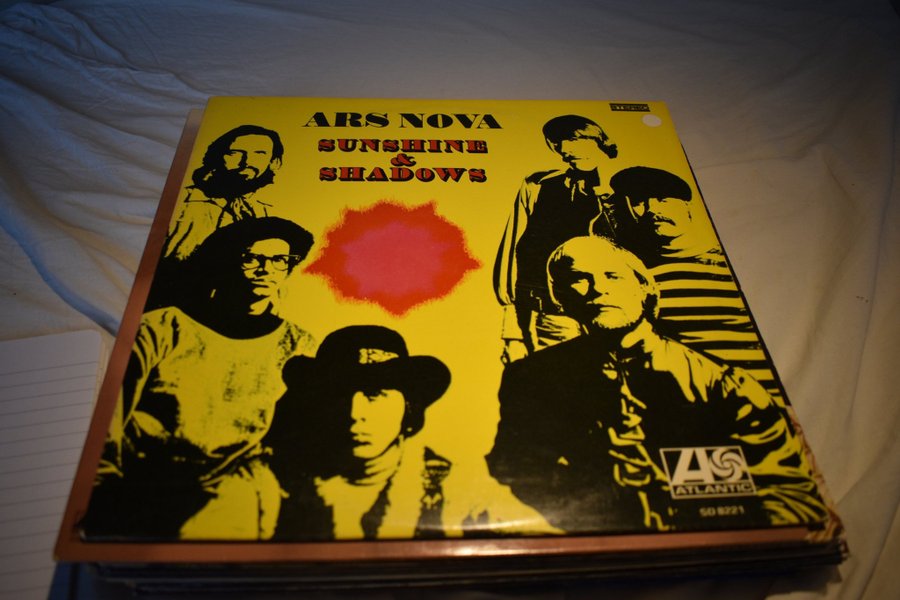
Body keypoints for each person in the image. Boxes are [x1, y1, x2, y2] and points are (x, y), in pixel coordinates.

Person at [486, 236, 828, 534]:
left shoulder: (723, 383)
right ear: (560, 297)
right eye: (579, 279)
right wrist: (594, 506)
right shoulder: (530, 379)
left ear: (645, 288)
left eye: (612, 276)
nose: (598, 288)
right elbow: (516, 466)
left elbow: (790, 492)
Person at [81, 217, 316, 541]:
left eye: (278, 260)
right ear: (230, 261)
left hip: (231, 489)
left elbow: (300, 432)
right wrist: (108, 486)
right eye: (252, 258)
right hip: (146, 480)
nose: (265, 269)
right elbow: (114, 413)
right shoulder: (162, 328)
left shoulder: (299, 345)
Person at [266, 325, 558, 540]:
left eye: (375, 394)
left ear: (408, 406)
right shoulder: (270, 483)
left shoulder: (454, 488)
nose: (355, 413)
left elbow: (544, 543)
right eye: (340, 396)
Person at [607, 166, 778, 395]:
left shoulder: (732, 261)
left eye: (663, 200)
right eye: (640, 202)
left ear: (687, 206)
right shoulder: (634, 273)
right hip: (685, 394)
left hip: (760, 389)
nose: (652, 209)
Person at [493, 115, 620, 362]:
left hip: (617, 315)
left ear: (599, 140)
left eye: (574, 139)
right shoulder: (538, 185)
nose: (565, 149)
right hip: (555, 315)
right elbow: (516, 253)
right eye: (557, 143)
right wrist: (512, 334)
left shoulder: (629, 190)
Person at [162, 124, 286, 263]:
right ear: (218, 158)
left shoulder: (264, 211)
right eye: (235, 153)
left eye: (259, 153)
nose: (246, 162)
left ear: (275, 162)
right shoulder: (183, 202)